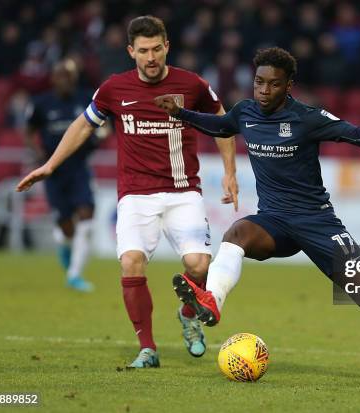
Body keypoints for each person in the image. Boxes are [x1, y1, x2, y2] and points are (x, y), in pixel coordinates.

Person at [155, 47, 360, 386]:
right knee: (236, 233)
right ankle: (213, 302)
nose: (264, 91)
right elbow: (221, 126)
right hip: (274, 222)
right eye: (259, 83)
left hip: (317, 222)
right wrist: (181, 113)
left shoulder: (308, 118)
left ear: (288, 85)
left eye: (273, 84)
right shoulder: (245, 112)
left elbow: (355, 135)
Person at [17, 16, 238, 367]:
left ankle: (187, 314)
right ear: (131, 51)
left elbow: (223, 123)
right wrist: (50, 165)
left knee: (198, 265)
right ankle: (147, 349)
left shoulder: (191, 84)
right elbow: (82, 126)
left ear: (167, 46)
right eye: (143, 51)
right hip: (135, 195)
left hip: (183, 192)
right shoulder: (114, 89)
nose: (150, 57)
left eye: (156, 49)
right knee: (131, 264)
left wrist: (230, 172)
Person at [24, 58, 96, 292]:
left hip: (78, 168)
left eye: (68, 77)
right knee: (66, 228)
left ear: (73, 80)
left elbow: (101, 126)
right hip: (54, 171)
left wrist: (99, 139)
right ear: (53, 79)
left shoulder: (84, 100)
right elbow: (29, 131)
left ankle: (74, 275)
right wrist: (38, 154)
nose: (64, 81)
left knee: (86, 214)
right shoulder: (41, 104)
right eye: (60, 76)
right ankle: (65, 246)